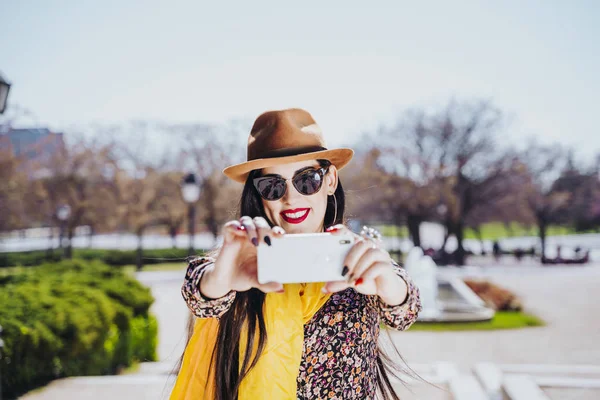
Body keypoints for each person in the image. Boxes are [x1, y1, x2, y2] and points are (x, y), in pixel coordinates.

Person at [170, 108, 422, 400]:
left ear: (330, 180)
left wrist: (391, 285)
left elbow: (406, 311)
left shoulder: (356, 256)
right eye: (273, 185)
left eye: (307, 179)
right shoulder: (241, 259)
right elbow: (200, 295)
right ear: (258, 194)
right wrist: (221, 279)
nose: (291, 197)